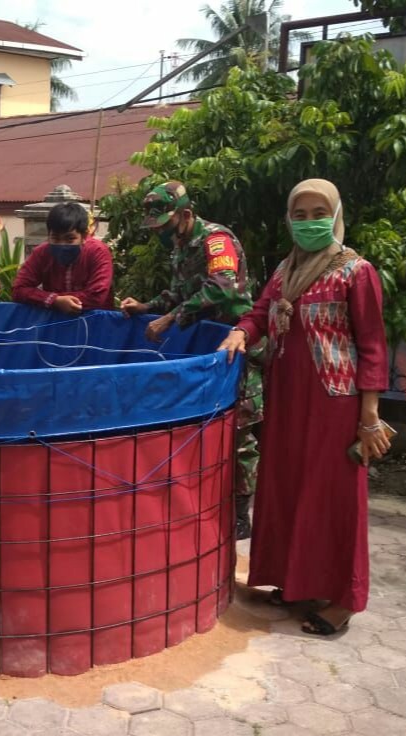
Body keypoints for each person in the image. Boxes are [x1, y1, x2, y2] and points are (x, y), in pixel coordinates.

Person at [218, 178, 390, 636]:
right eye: (301, 214)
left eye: (319, 214)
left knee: (332, 498)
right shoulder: (285, 269)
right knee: (289, 489)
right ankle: (295, 582)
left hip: (335, 404)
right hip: (288, 396)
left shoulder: (356, 271)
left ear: (334, 216)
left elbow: (372, 345)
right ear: (289, 219)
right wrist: (241, 332)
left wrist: (368, 416)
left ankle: (342, 600)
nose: (309, 222)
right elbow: (260, 312)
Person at [121, 181, 263, 540]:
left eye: (165, 227)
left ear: (185, 215)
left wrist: (170, 319)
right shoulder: (182, 247)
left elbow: (222, 286)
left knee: (240, 429)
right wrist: (149, 307)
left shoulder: (217, 241)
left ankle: (241, 510)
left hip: (235, 343)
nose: (162, 235)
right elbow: (181, 292)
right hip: (206, 343)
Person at [12, 202, 114, 312]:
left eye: (70, 239)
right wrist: (55, 300)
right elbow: (19, 289)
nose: (62, 244)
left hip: (95, 322)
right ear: (48, 235)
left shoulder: (98, 252)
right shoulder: (42, 253)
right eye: (55, 238)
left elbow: (97, 296)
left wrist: (53, 300)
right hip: (55, 323)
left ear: (84, 236)